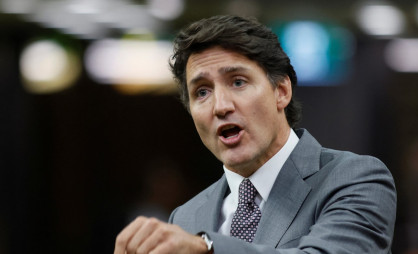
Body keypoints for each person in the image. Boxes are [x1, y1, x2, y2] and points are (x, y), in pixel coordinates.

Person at [114, 15, 396, 254]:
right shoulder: (185, 217)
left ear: (281, 91)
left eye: (238, 82)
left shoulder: (356, 179)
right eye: (202, 92)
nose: (220, 106)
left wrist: (208, 248)